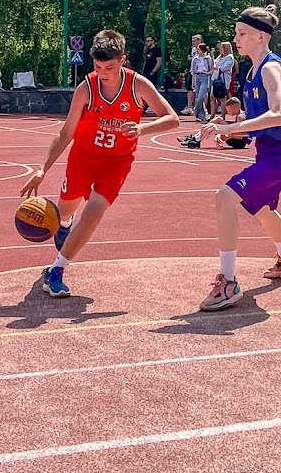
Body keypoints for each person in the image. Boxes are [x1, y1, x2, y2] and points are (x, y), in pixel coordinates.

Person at [20, 30, 179, 298]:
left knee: (94, 211)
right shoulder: (86, 88)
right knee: (65, 211)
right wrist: (42, 169)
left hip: (117, 161)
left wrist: (142, 128)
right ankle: (65, 226)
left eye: (109, 67)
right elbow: (66, 132)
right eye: (97, 66)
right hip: (83, 157)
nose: (103, 72)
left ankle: (56, 271)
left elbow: (172, 119)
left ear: (123, 61)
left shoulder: (138, 85)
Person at [199, 4, 281, 311]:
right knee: (260, 208)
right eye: (236, 32)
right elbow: (261, 117)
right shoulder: (251, 71)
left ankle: (229, 283)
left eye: (242, 33)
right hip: (270, 151)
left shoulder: (272, 68)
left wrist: (230, 126)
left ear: (261, 36)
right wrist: (236, 132)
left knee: (225, 198)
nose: (236, 38)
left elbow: (276, 115)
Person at [180, 97, 250, 150]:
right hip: (236, 140)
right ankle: (196, 138)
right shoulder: (240, 114)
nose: (227, 112)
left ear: (235, 108)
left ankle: (196, 139)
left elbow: (241, 136)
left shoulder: (240, 117)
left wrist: (221, 133)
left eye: (229, 110)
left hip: (239, 142)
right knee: (218, 120)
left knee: (218, 120)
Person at [191, 43, 213, 121]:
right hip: (197, 77)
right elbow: (193, 71)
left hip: (204, 77)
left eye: (198, 49)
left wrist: (207, 73)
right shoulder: (195, 59)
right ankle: (201, 115)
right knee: (197, 96)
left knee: (201, 96)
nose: (197, 51)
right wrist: (193, 82)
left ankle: (195, 109)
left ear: (202, 50)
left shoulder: (208, 58)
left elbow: (212, 69)